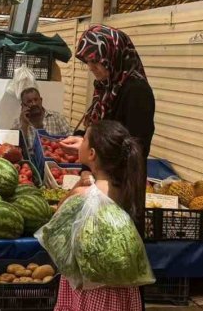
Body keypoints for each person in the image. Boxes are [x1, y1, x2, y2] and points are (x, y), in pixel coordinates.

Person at [58, 24, 155, 225]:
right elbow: (100, 127)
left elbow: (136, 145)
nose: (91, 68)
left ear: (113, 56)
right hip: (102, 182)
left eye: (96, 61)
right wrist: (83, 138)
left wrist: (95, 147)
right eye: (88, 62)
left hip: (121, 188)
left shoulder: (136, 91)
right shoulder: (106, 86)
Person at [54, 120, 145, 311]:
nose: (80, 140)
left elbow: (57, 217)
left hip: (90, 287)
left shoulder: (83, 194)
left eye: (84, 138)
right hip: (121, 286)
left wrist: (79, 183)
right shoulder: (126, 189)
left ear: (92, 154)